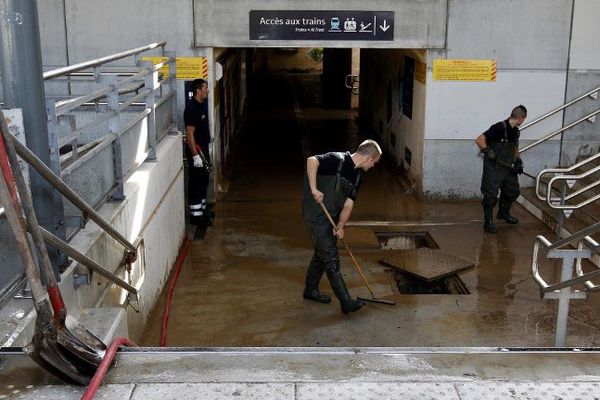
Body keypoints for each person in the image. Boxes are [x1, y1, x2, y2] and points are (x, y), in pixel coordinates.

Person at [302, 140, 382, 314]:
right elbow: (311, 161)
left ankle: (310, 290)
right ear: (369, 158)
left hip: (332, 218)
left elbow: (348, 204)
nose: (374, 165)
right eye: (375, 162)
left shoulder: (358, 177)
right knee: (331, 258)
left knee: (322, 253)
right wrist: (314, 188)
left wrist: (340, 224)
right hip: (316, 214)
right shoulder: (337, 159)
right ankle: (346, 302)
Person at [475, 105, 527, 233]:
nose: (523, 121)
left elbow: (515, 148)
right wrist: (487, 150)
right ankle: (488, 223)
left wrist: (518, 161)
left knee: (513, 191)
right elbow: (479, 139)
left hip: (508, 166)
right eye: (524, 119)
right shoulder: (498, 127)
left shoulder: (516, 131)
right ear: (520, 118)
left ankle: (503, 213)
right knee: (491, 195)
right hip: (493, 167)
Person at [184, 79, 211, 225]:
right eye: (206, 88)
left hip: (203, 149)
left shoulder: (201, 105)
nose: (208, 90)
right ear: (198, 90)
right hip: (197, 150)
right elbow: (190, 134)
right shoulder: (192, 108)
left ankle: (202, 210)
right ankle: (196, 215)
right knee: (196, 181)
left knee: (204, 180)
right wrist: (195, 156)